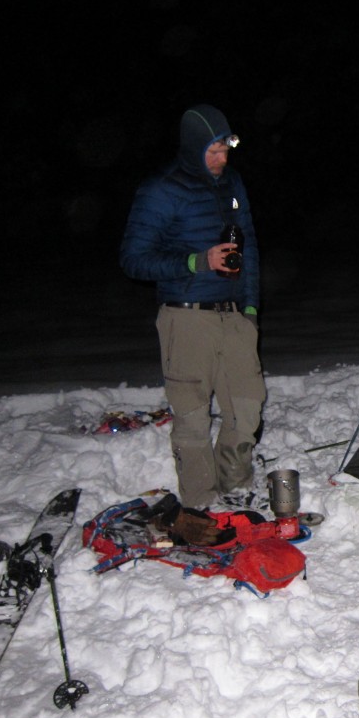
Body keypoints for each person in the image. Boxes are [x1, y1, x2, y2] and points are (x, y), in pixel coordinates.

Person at [120, 103, 266, 509]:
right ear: (193, 147)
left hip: (235, 316)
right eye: (213, 151)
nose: (222, 160)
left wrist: (251, 312)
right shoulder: (161, 189)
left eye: (226, 150)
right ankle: (201, 503)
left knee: (246, 409)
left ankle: (235, 492)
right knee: (192, 417)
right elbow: (133, 259)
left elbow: (249, 248)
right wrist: (196, 261)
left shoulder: (232, 183)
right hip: (186, 317)